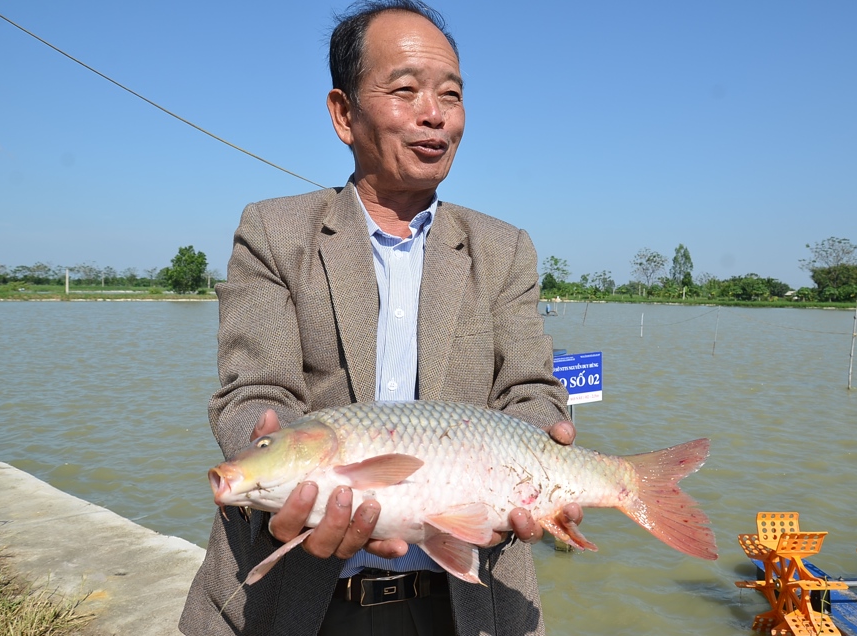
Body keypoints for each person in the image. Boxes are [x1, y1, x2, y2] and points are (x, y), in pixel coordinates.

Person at [180, 2, 580, 634]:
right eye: (406, 91)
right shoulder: (272, 231)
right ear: (343, 113)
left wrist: (538, 448)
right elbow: (251, 394)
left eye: (451, 95)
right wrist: (278, 459)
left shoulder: (504, 248)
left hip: (465, 603)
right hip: (296, 600)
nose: (435, 114)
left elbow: (531, 391)